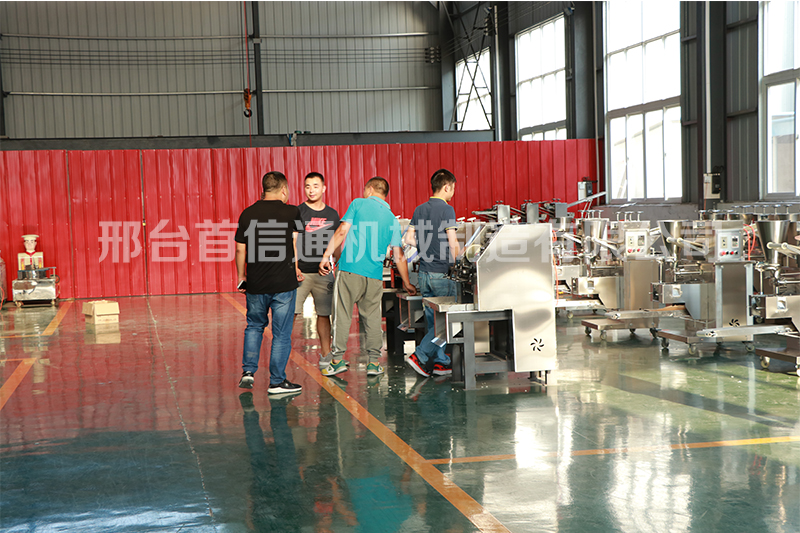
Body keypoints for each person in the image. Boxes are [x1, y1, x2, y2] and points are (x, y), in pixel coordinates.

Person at [317, 177, 417, 378]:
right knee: (372, 318)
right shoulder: (392, 219)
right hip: (374, 276)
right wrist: (407, 282)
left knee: (342, 314)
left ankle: (337, 360)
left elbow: (341, 231)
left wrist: (326, 256)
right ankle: (373, 363)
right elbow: (398, 254)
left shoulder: (358, 204)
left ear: (370, 189)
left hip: (350, 270)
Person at [235, 171, 304, 394]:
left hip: (256, 284)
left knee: (254, 326)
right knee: (281, 334)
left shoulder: (247, 214)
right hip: (284, 284)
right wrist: (296, 268)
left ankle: (248, 371)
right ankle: (276, 382)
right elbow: (295, 244)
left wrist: (242, 276)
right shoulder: (292, 212)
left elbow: (240, 249)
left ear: (263, 190)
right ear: (284, 190)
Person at [403, 169, 461, 378]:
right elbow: (453, 242)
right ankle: (419, 355)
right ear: (446, 187)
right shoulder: (447, 210)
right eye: (452, 189)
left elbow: (408, 239)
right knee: (445, 323)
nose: (453, 193)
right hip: (442, 274)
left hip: (424, 274)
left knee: (433, 322)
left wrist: (426, 246)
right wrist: (459, 262)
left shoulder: (419, 209)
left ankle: (440, 362)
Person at [293, 172, 341, 368]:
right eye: (307, 186)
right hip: (301, 273)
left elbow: (336, 242)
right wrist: (295, 267)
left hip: (323, 274)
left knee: (324, 313)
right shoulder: (298, 212)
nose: (311, 190)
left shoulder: (332, 214)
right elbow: (293, 241)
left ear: (323, 188)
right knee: (291, 313)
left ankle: (325, 355)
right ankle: (281, 353)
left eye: (315, 186)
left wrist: (338, 264)